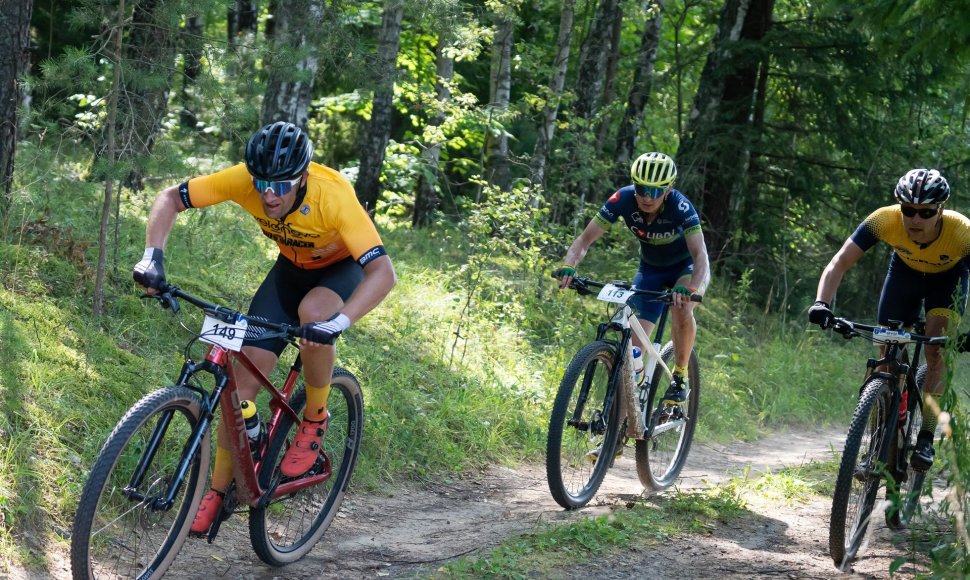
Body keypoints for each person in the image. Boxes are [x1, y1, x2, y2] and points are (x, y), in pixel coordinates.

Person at [133, 121, 396, 535]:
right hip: (288, 273)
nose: (269, 194)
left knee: (314, 314)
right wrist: (152, 257)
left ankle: (314, 416)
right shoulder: (243, 181)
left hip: (340, 273)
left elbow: (383, 272)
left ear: (304, 177)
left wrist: (340, 322)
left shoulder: (334, 195)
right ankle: (218, 491)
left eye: (282, 184)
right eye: (261, 183)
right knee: (238, 385)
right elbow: (170, 198)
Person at [808, 168, 969, 471]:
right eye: (909, 210)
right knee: (885, 354)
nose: (915, 219)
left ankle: (925, 435)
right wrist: (822, 304)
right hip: (904, 275)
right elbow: (838, 262)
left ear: (941, 210)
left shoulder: (962, 233)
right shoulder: (884, 219)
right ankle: (889, 421)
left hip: (947, 281)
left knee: (936, 348)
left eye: (925, 212)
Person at [553, 152, 711, 456]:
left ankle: (679, 376)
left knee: (681, 307)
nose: (647, 197)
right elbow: (584, 240)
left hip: (684, 269)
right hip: (649, 272)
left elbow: (701, 256)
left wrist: (694, 289)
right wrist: (570, 266)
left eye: (655, 191)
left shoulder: (680, 206)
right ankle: (616, 436)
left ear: (667, 189)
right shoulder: (622, 200)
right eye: (642, 189)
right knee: (632, 353)